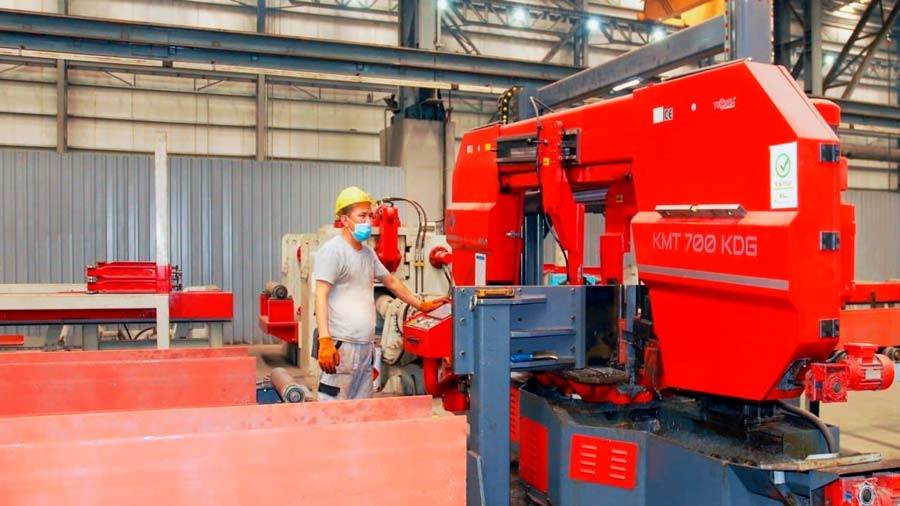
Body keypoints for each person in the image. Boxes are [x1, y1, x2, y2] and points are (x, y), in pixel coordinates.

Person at [313, 186, 448, 401]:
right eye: (362, 216)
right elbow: (320, 295)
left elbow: (391, 282)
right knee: (334, 408)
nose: (368, 221)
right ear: (345, 219)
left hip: (365, 346)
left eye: (370, 216)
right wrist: (325, 340)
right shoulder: (333, 251)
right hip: (342, 345)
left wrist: (420, 304)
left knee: (362, 407)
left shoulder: (367, 253)